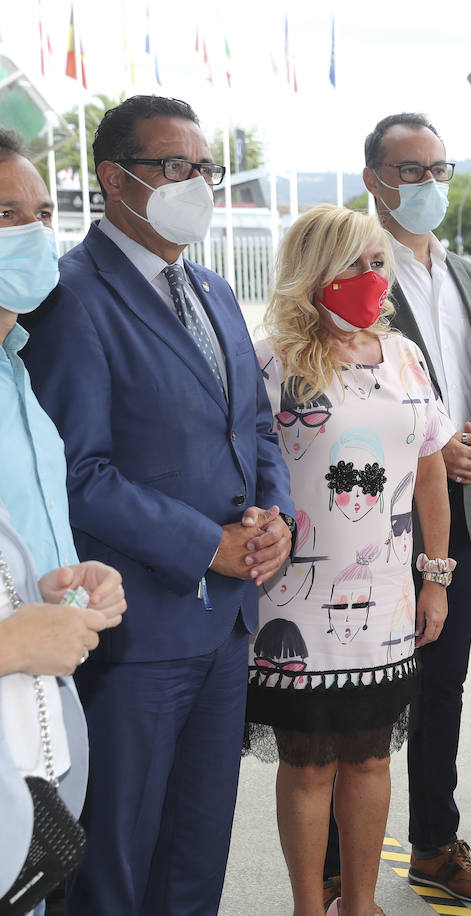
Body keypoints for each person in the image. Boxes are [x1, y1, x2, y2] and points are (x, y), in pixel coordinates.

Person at [22, 95, 295, 916]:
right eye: (175, 167)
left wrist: (273, 516)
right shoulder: (71, 297)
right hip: (137, 634)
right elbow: (78, 471)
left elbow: (252, 422)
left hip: (224, 628)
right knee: (115, 861)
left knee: (198, 848)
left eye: (203, 168)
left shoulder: (211, 288)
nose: (198, 184)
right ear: (115, 179)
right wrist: (200, 544)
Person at [247, 204, 455, 916]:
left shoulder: (403, 356)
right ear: (313, 271)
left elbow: (431, 469)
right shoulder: (269, 358)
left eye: (378, 264)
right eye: (354, 264)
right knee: (308, 764)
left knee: (370, 756)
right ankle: (312, 906)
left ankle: (360, 905)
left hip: (388, 599)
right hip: (295, 601)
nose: (373, 279)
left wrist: (437, 577)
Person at [338, 111, 471, 907]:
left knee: (442, 691)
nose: (428, 184)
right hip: (369, 526)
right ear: (373, 179)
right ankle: (341, 870)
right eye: (410, 171)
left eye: (439, 169)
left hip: (461, 522)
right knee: (360, 704)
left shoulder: (470, 275)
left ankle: (435, 845)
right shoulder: (348, 270)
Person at [0, 129, 125, 916]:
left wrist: (67, 585)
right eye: (5, 212)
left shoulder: (18, 366)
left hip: (34, 731)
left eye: (43, 211)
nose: (35, 232)